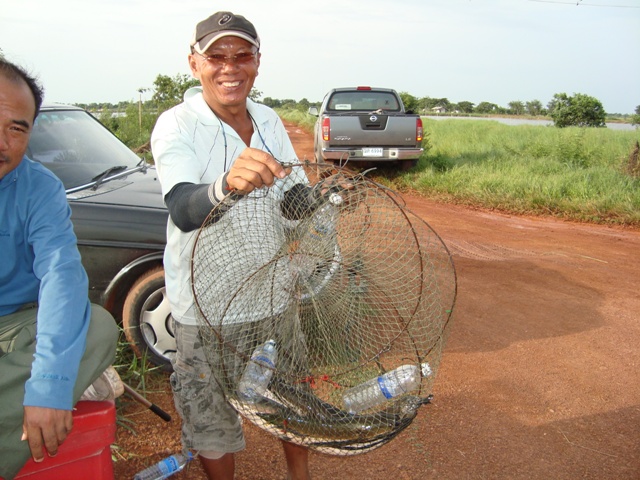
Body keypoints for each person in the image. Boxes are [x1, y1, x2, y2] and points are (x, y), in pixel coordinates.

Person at [151, 11, 316, 480]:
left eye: (242, 55)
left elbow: (293, 202)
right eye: (216, 56)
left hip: (272, 297)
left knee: (293, 400)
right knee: (210, 420)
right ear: (194, 63)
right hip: (205, 310)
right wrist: (225, 186)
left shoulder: (267, 119)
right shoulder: (176, 124)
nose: (230, 67)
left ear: (257, 63)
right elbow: (183, 208)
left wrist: (324, 197)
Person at [0, 59, 120, 480]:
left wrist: (49, 384)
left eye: (17, 128)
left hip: (15, 327)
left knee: (99, 328)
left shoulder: (39, 188)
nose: (2, 142)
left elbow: (61, 276)